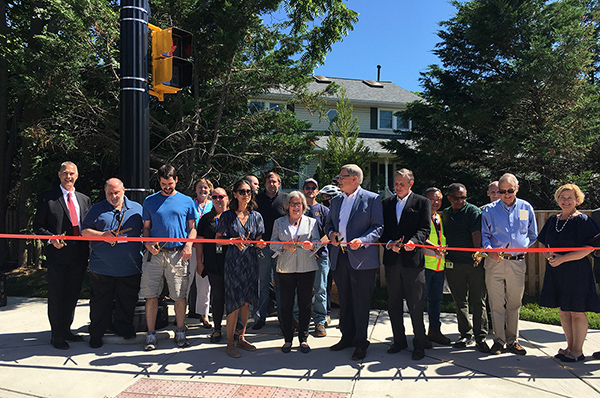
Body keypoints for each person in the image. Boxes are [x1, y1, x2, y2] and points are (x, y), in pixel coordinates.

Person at [325, 164, 383, 361]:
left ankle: (360, 343)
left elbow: (378, 227)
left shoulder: (372, 198)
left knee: (361, 302)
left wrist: (363, 241)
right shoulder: (335, 200)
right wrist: (331, 233)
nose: (338, 180)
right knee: (345, 301)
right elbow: (329, 224)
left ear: (355, 179)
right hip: (339, 257)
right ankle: (346, 337)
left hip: (362, 259)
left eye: (342, 177)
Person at [538, 184, 600, 362]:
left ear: (577, 200)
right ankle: (569, 347)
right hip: (556, 271)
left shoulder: (582, 221)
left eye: (570, 197)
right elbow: (544, 243)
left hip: (577, 271)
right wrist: (550, 256)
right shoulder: (552, 220)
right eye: (562, 197)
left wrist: (563, 259)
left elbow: (591, 247)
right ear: (557, 199)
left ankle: (578, 351)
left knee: (577, 311)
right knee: (564, 310)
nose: (565, 201)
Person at [33, 161, 91, 350]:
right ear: (59, 175)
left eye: (72, 173)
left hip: (79, 255)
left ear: (77, 175)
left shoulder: (84, 199)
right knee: (57, 295)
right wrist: (51, 239)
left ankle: (66, 330)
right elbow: (38, 227)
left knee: (72, 294)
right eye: (65, 173)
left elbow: (87, 228)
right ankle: (56, 335)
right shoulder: (48, 198)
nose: (68, 177)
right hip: (57, 254)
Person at [81, 178, 143, 348]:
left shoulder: (137, 209)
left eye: (117, 192)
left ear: (124, 190)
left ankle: (125, 328)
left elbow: (147, 230)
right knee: (100, 303)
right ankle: (96, 333)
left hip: (130, 267)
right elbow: (84, 231)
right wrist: (102, 236)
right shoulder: (97, 209)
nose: (114, 196)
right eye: (110, 193)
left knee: (127, 301)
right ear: (105, 192)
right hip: (102, 268)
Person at [141, 165, 198, 350]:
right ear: (159, 182)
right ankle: (150, 334)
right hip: (155, 254)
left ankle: (180, 331)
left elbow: (192, 228)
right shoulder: (150, 201)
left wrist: (189, 245)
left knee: (179, 295)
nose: (167, 187)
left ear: (176, 181)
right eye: (164, 184)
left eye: (170, 183)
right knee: (151, 295)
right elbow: (146, 228)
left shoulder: (187, 201)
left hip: (177, 253)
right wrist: (148, 243)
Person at [481, 173, 537, 355]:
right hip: (495, 262)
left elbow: (532, 234)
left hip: (517, 262)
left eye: (510, 191)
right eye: (502, 191)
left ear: (517, 189)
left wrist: (521, 247)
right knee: (496, 303)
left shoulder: (526, 207)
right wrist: (491, 250)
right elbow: (484, 236)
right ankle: (498, 340)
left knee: (514, 302)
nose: (506, 194)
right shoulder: (489, 210)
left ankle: (513, 340)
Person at [380, 169, 431, 360]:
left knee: (415, 304)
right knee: (393, 304)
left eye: (402, 183)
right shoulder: (386, 203)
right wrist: (388, 244)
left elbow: (425, 228)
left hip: (413, 262)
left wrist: (414, 242)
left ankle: (419, 343)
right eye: (396, 183)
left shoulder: (421, 202)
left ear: (411, 184)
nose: (397, 186)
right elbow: (382, 230)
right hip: (393, 262)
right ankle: (399, 340)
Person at [215, 179, 266, 358]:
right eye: (242, 191)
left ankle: (241, 337)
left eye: (249, 192)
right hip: (233, 263)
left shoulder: (256, 216)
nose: (246, 195)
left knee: (246, 301)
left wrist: (259, 244)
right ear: (235, 194)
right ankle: (230, 342)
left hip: (250, 262)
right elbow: (218, 240)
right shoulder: (227, 216)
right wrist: (232, 241)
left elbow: (259, 238)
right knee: (233, 304)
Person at [441, 183, 489, 353]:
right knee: (459, 300)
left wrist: (477, 254)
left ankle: (481, 337)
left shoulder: (473, 211)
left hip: (473, 263)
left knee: (478, 300)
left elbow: (476, 233)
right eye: (456, 197)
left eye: (463, 197)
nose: (460, 200)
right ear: (449, 198)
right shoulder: (445, 214)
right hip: (453, 263)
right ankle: (465, 334)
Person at [270, 191, 320, 353]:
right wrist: (285, 246)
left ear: (304, 206)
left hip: (307, 268)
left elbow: (317, 242)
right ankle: (287, 339)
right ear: (287, 206)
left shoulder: (311, 222)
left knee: (305, 305)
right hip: (285, 268)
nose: (296, 207)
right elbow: (272, 243)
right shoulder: (279, 223)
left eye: (299, 204)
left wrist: (311, 246)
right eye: (293, 204)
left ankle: (303, 339)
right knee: (285, 305)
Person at [253, 171, 287, 329]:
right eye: (269, 181)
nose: (272, 184)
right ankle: (260, 317)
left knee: (281, 284)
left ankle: (283, 317)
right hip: (263, 247)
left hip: (281, 248)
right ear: (265, 183)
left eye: (275, 182)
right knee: (263, 283)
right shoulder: (256, 200)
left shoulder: (286, 199)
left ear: (279, 183)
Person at [196, 187, 229, 343]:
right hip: (212, 263)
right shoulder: (205, 219)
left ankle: (235, 328)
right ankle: (217, 329)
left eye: (221, 196)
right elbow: (199, 243)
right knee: (217, 296)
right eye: (214, 197)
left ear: (227, 198)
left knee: (232, 297)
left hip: (231, 263)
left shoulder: (233, 216)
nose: (218, 199)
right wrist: (199, 262)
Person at [300, 178, 330, 337]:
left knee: (320, 289)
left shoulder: (324, 210)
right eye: (307, 187)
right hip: (301, 255)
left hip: (321, 255)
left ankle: (319, 320)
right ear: (303, 190)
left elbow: (329, 233)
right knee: (301, 289)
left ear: (317, 191)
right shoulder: (299, 209)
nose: (310, 190)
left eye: (313, 187)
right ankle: (298, 319)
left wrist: (317, 247)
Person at [422, 187, 451, 346]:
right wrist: (434, 248)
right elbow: (419, 237)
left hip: (439, 267)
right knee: (420, 302)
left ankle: (434, 331)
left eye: (438, 199)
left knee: (436, 301)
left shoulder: (440, 218)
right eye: (432, 199)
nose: (435, 202)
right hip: (425, 266)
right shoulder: (421, 217)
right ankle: (420, 335)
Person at [187, 178, 213, 328]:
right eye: (200, 187)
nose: (202, 190)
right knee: (186, 282)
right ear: (195, 189)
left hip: (207, 248)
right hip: (191, 248)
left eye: (205, 188)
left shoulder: (212, 205)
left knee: (204, 284)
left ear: (209, 190)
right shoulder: (190, 204)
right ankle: (180, 315)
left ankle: (204, 314)